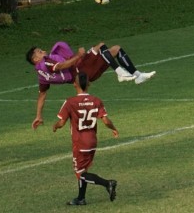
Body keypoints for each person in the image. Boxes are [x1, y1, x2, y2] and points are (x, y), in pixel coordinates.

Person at [26, 41, 155, 129]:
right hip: (81, 69)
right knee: (102, 46)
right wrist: (79, 56)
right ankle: (120, 72)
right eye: (39, 52)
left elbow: (42, 95)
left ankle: (138, 75)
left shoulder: (41, 75)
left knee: (115, 50)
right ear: (35, 59)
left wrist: (38, 116)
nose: (43, 51)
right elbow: (61, 66)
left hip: (83, 71)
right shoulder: (45, 62)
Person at [53, 72, 118, 205]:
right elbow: (105, 120)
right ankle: (81, 198)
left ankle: (108, 183)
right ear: (89, 84)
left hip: (80, 142)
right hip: (92, 141)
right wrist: (113, 128)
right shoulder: (96, 100)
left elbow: (61, 122)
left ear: (74, 84)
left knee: (80, 173)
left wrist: (55, 126)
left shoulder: (70, 102)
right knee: (84, 170)